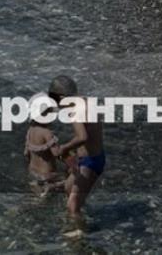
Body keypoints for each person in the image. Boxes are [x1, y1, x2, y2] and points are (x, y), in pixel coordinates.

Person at [46, 76, 104, 220]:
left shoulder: (75, 111)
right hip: (93, 156)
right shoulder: (87, 102)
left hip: (90, 162)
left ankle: (79, 233)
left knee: (72, 206)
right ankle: (81, 211)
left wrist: (64, 148)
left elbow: (82, 137)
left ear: (62, 98)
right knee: (68, 189)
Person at [24, 96, 65, 194]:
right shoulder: (47, 133)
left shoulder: (30, 130)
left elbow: (26, 153)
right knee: (69, 180)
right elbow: (56, 153)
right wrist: (65, 149)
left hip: (33, 171)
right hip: (47, 174)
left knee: (36, 194)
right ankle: (50, 187)